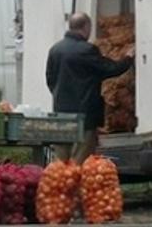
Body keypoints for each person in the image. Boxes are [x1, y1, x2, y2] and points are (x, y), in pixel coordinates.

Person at [45, 12, 134, 164]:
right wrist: (128, 57)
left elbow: (50, 79)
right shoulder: (87, 50)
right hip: (84, 117)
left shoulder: (55, 50)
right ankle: (77, 188)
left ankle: (60, 188)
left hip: (61, 115)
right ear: (86, 27)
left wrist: (60, 96)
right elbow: (109, 69)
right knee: (80, 161)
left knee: (60, 163)